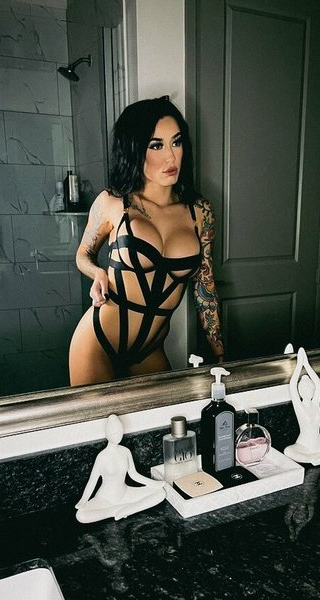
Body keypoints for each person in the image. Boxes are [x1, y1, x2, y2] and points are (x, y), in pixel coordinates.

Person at [69, 97, 225, 386]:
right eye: (156, 145)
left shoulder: (200, 211)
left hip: (150, 351)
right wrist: (97, 272)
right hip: (98, 343)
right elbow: (83, 255)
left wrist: (221, 355)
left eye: (176, 142)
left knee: (164, 416)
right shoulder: (112, 202)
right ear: (134, 149)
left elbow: (205, 287)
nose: (171, 157)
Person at [75, 414, 166, 523]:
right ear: (107, 435)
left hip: (125, 494)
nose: (117, 436)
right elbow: (92, 481)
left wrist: (154, 484)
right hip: (105, 499)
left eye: (119, 432)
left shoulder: (125, 451)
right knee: (81, 516)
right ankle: (116, 510)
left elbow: (134, 474)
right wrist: (83, 500)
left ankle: (128, 509)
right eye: (114, 433)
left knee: (161, 493)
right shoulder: (102, 457)